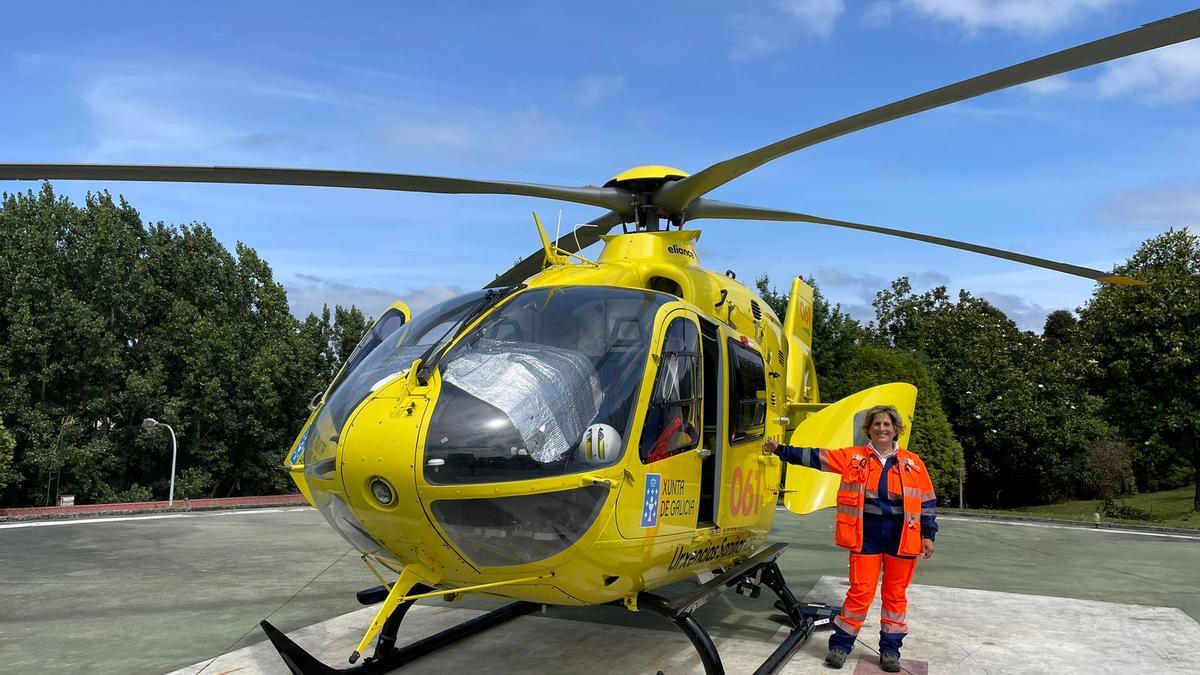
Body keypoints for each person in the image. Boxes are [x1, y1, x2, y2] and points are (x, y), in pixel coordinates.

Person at [763, 405, 937, 672]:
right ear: (868, 429)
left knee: (895, 595)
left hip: (902, 534)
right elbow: (815, 457)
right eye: (876, 424)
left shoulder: (913, 462)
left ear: (896, 430)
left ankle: (890, 651)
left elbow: (927, 502)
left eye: (887, 425)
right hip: (866, 532)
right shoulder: (853, 457)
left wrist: (928, 534)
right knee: (860, 592)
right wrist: (781, 450)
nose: (882, 429)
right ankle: (841, 646)